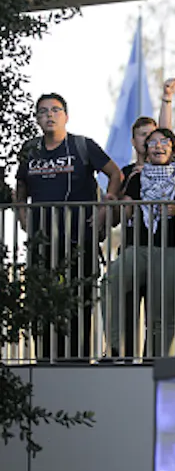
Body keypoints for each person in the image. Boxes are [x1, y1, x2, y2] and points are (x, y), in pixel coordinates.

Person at [15, 93, 123, 360]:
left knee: (78, 303)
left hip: (79, 240)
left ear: (66, 115)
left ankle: (77, 362)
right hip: (42, 242)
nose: (49, 115)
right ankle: (43, 361)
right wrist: (21, 214)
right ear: (37, 119)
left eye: (55, 110)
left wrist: (103, 209)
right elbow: (20, 186)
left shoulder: (82, 145)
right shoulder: (30, 149)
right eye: (43, 111)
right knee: (41, 303)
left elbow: (115, 174)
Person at [103, 127, 175, 358]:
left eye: (164, 141)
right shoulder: (138, 175)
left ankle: (157, 360)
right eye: (152, 142)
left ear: (173, 148)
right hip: (140, 247)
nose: (158, 145)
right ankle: (116, 348)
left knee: (162, 311)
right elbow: (125, 209)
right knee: (110, 282)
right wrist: (114, 205)